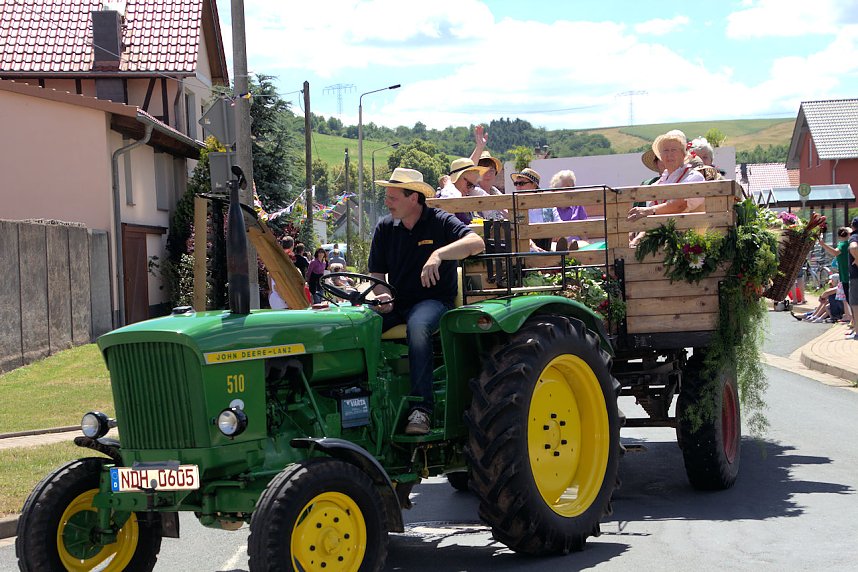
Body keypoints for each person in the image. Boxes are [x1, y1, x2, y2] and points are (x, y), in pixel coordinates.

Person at [369, 167, 485, 434]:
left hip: (434, 300)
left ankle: (421, 410)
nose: (387, 203)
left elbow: (475, 242)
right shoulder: (386, 227)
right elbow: (376, 273)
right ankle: (372, 402)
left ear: (414, 198)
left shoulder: (440, 220)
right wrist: (380, 294)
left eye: (392, 198)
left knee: (418, 327)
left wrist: (438, 254)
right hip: (397, 302)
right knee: (360, 324)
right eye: (387, 197)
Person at [627, 130, 706, 246]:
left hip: (686, 242)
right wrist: (637, 238)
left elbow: (680, 205)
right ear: (661, 156)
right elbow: (652, 216)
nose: (669, 155)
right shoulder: (656, 184)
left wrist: (649, 210)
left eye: (674, 150)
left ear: (683, 154)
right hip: (659, 243)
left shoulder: (694, 177)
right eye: (665, 151)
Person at [511, 167, 558, 252]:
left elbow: (560, 225)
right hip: (524, 248)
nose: (518, 187)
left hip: (546, 246)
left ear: (534, 185)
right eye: (516, 184)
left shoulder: (548, 206)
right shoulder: (513, 206)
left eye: (521, 183)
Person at [437, 157, 488, 224]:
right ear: (457, 178)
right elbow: (450, 200)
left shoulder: (465, 197)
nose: (470, 189)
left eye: (473, 186)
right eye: (469, 184)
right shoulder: (443, 195)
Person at [818, 227, 852, 323]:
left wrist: (823, 244)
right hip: (848, 274)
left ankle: (849, 316)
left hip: (845, 275)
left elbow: (835, 252)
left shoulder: (843, 244)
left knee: (847, 298)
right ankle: (849, 316)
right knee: (846, 298)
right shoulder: (850, 243)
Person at [549, 169, 588, 249]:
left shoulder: (578, 206)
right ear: (556, 190)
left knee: (579, 244)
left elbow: (584, 232)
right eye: (567, 187)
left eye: (572, 187)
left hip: (576, 244)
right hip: (556, 245)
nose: (571, 191)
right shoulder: (550, 208)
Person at [847, 217, 858, 339]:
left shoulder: (854, 237)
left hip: (856, 276)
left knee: (855, 304)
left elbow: (854, 247)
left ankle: (857, 332)